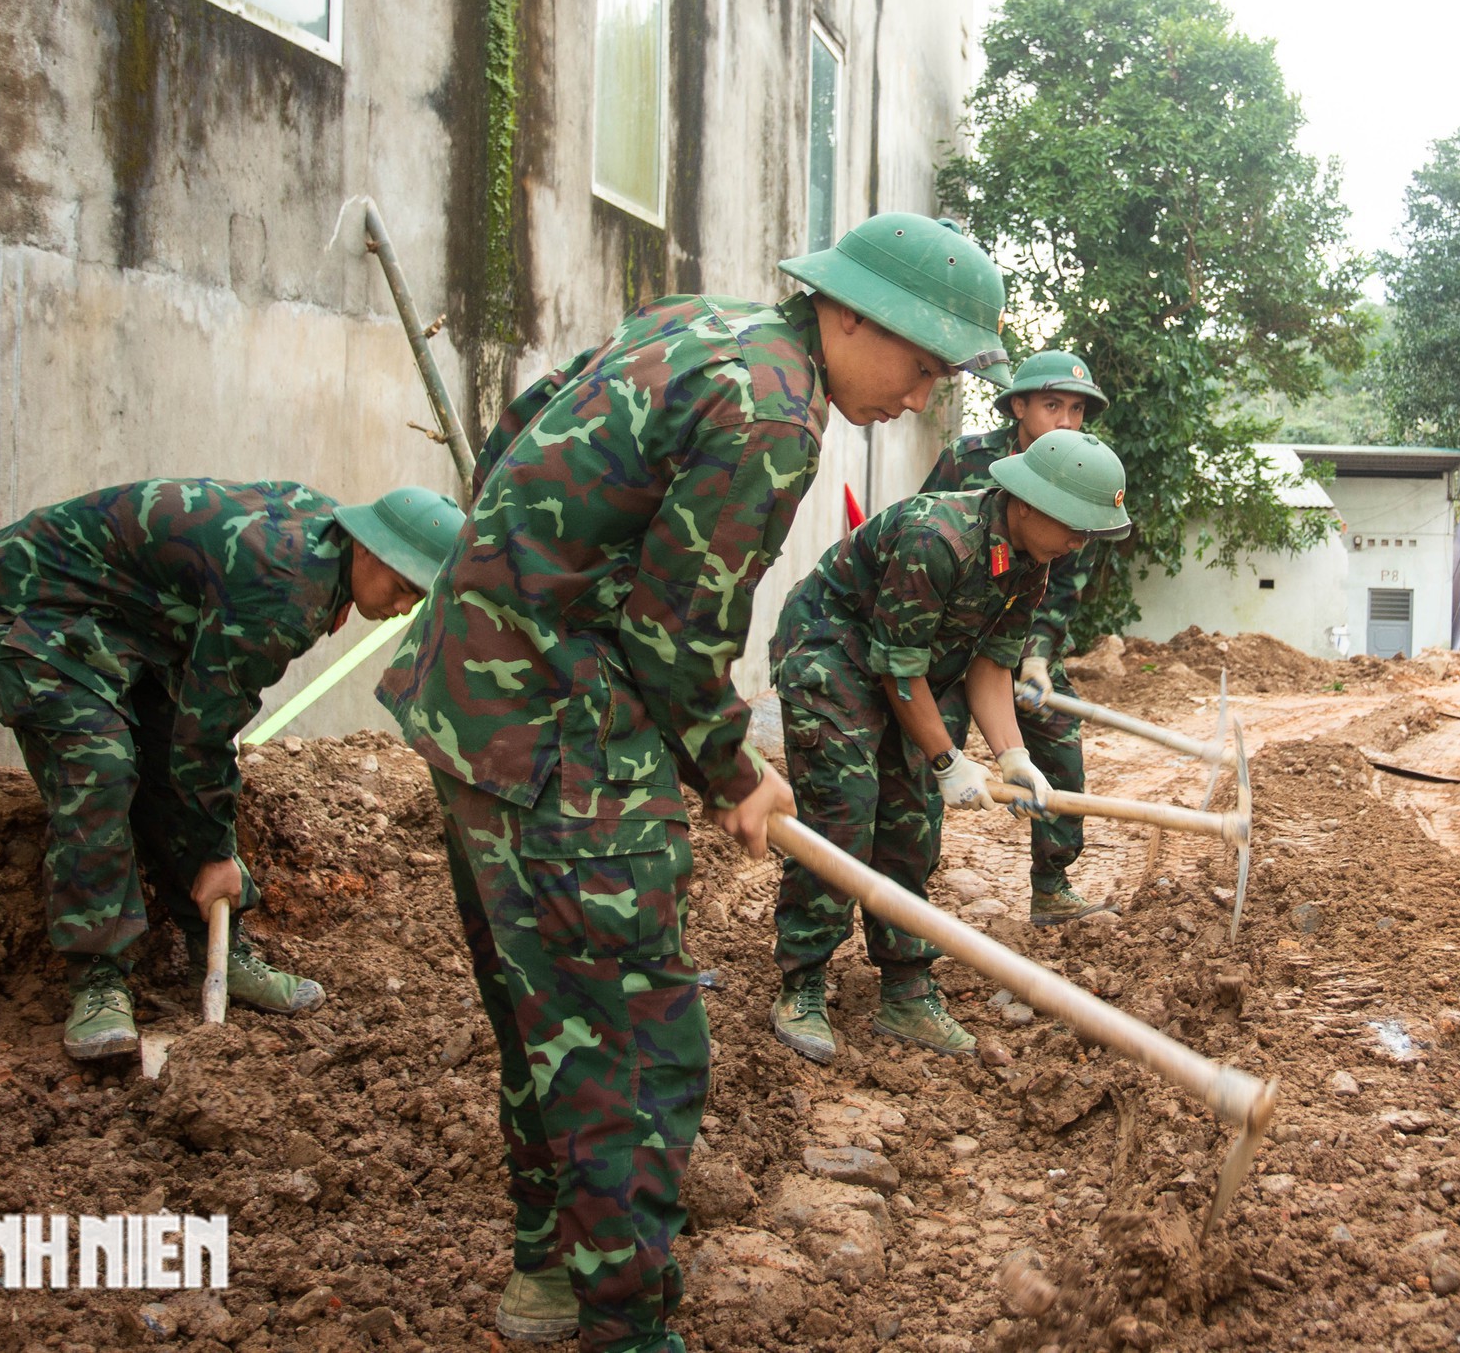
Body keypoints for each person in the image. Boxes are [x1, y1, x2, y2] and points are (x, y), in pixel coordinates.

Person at [375, 215, 1006, 1353]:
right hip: (558, 734)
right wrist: (733, 769)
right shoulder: (774, 413)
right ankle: (626, 1328)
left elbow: (522, 428)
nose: (921, 397)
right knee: (635, 1048)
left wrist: (535, 583)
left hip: (466, 699)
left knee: (546, 1014)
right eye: (920, 364)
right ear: (847, 312)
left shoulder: (697, 325)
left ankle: (548, 1275)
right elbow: (676, 634)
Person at [0, 480, 461, 1061]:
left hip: (132, 620)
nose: (403, 608)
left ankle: (221, 951)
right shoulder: (283, 590)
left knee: (162, 758)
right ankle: (97, 980)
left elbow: (188, 733)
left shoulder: (325, 540)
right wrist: (215, 854)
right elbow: (204, 739)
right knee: (101, 769)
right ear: (370, 548)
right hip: (37, 601)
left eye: (417, 598)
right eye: (404, 587)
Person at [769, 429, 1132, 1064]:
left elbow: (991, 665)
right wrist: (946, 760)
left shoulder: (1032, 563)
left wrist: (1013, 757)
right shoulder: (936, 539)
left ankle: (905, 989)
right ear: (1028, 503)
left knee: (912, 822)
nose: (1081, 542)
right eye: (1075, 525)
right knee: (844, 813)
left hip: (909, 668)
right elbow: (897, 670)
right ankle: (803, 982)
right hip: (834, 654)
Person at [917, 348, 1116, 924]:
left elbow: (1061, 582)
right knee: (927, 759)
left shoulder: (1086, 473)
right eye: (1053, 405)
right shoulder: (967, 459)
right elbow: (924, 536)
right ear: (1018, 406)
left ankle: (1051, 885)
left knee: (1059, 750)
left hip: (1019, 638)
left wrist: (1036, 659)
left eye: (1078, 410)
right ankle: (908, 904)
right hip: (944, 640)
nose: (1066, 422)